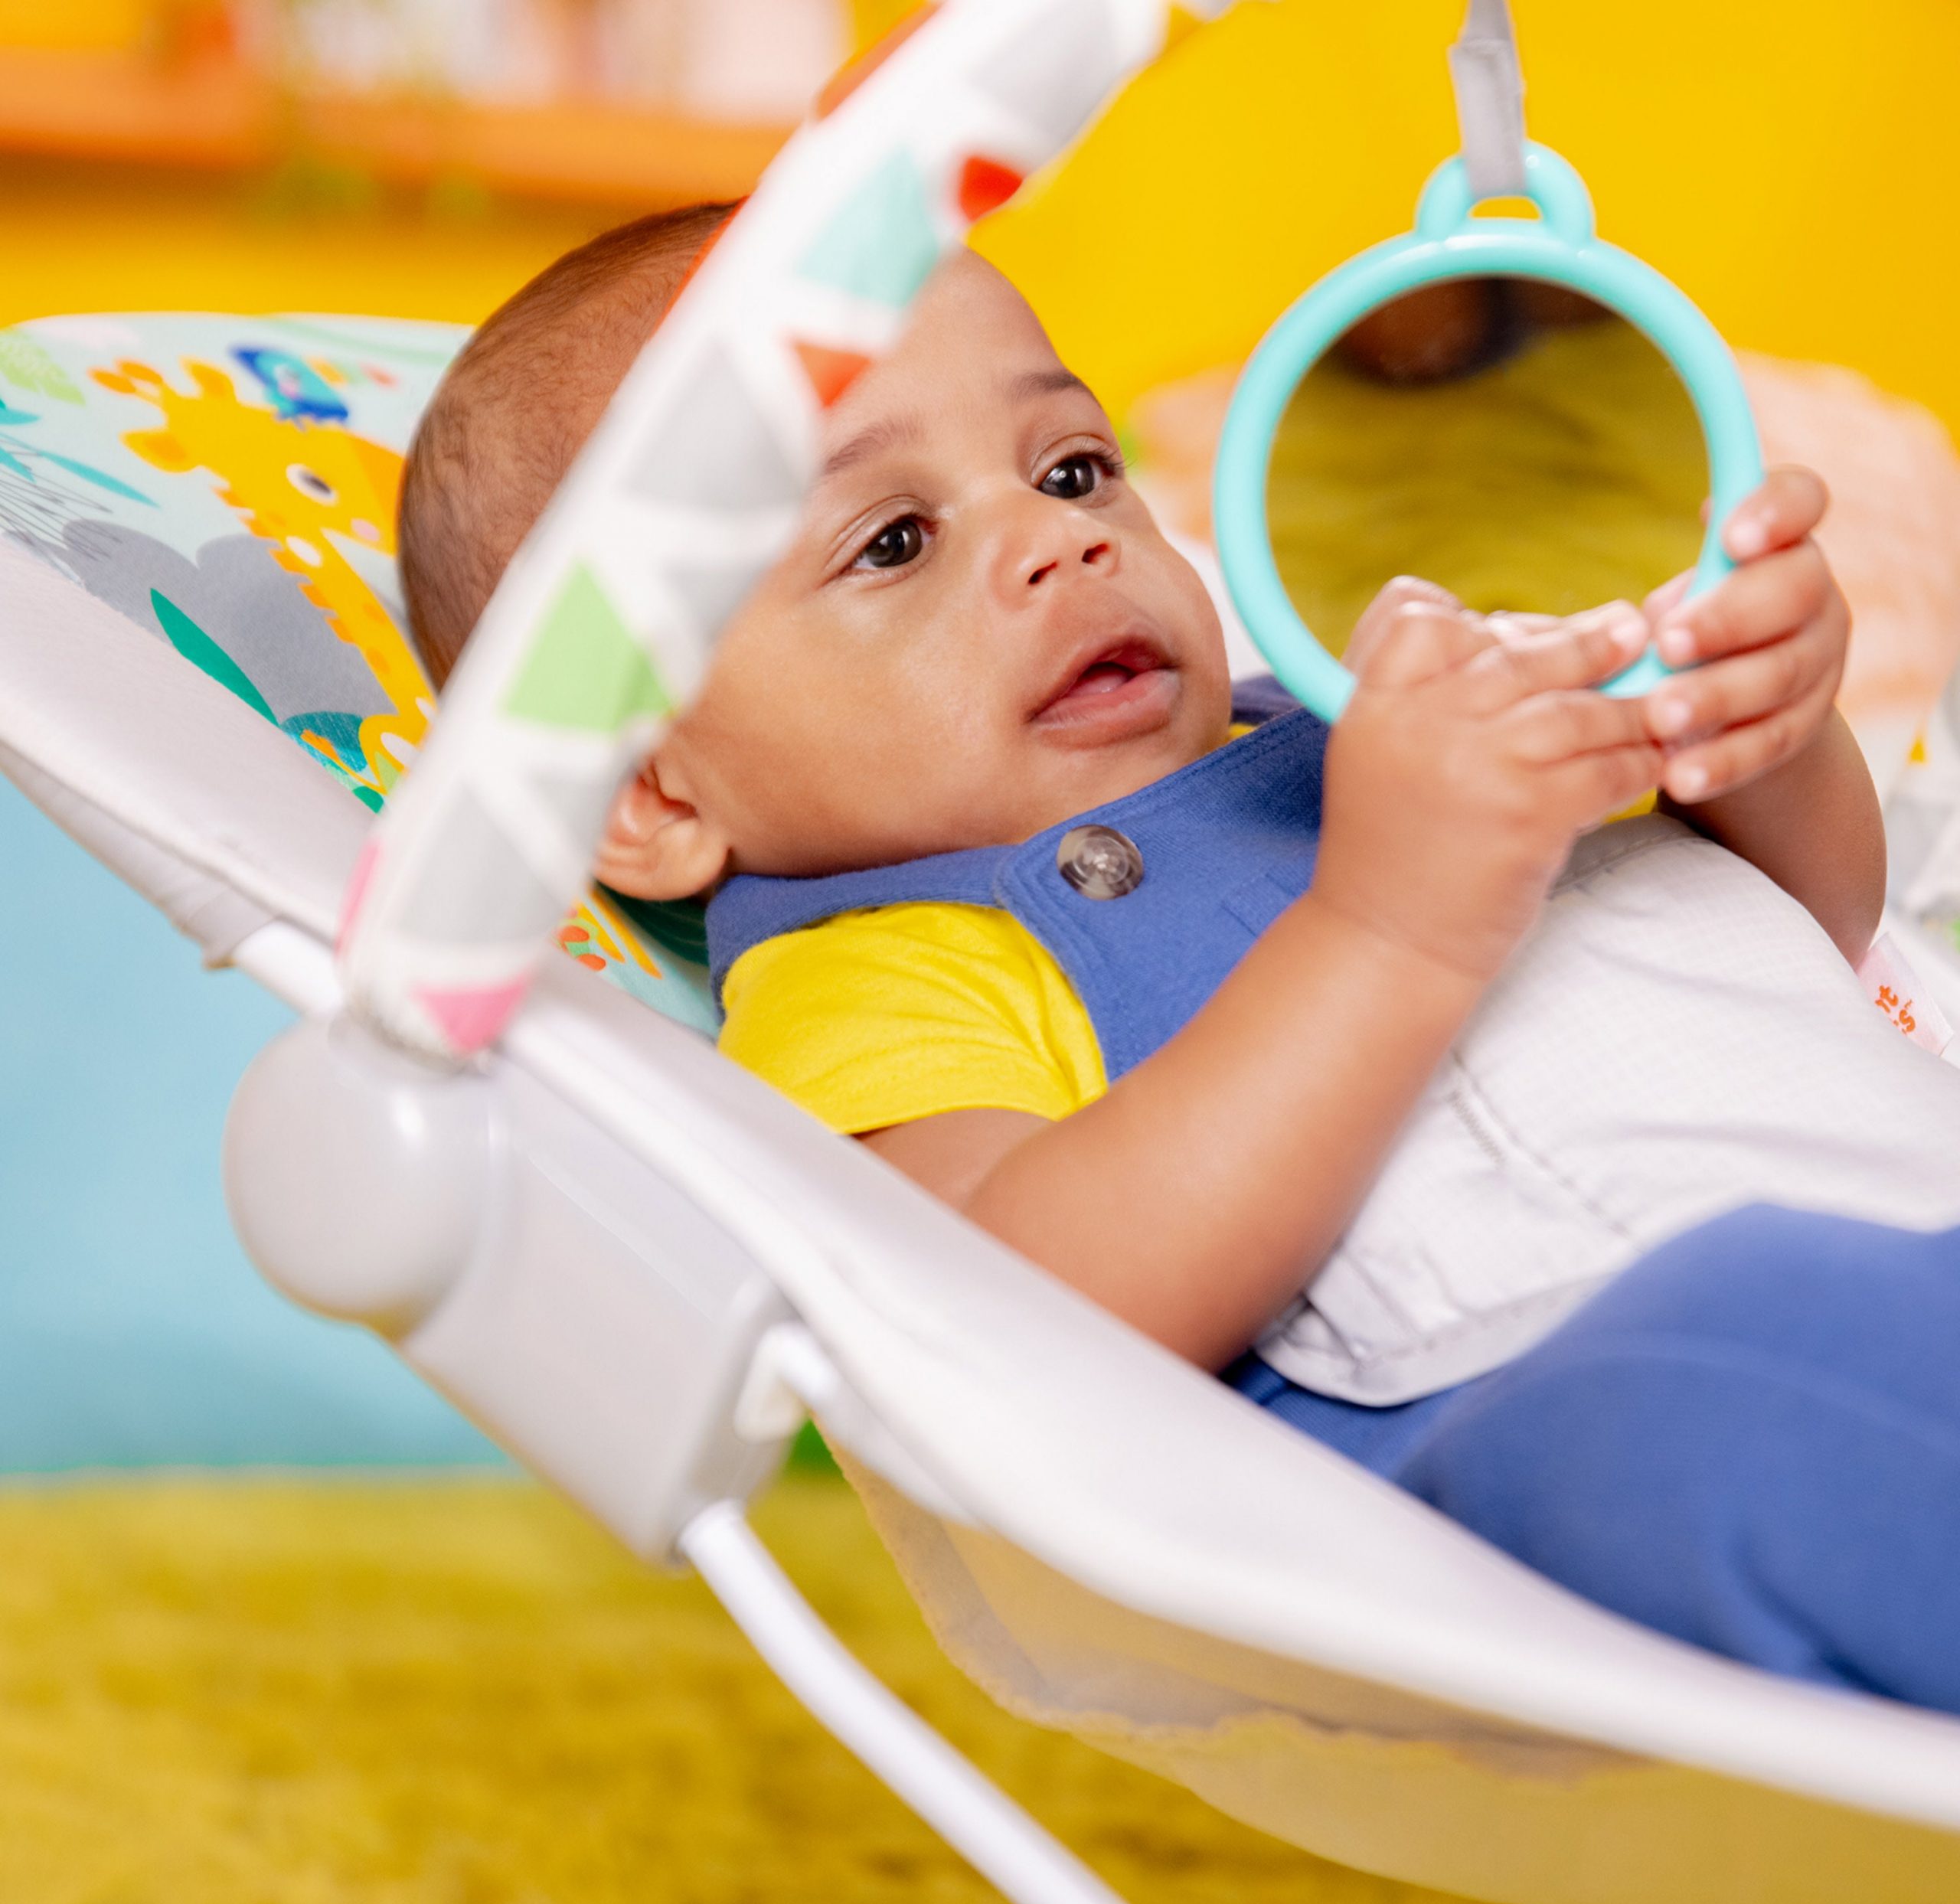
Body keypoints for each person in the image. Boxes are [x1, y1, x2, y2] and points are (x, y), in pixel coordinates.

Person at [400, 211, 1960, 1710]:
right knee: (1746, 1369)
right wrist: (1387, 928)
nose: (1057, 538)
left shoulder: (1374, 716)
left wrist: (1752, 737)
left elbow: (1802, 921)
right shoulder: (887, 968)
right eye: (893, 541)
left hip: (1902, 1200)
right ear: (651, 793)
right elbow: (1010, 1326)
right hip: (1540, 1408)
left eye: (1072, 467)